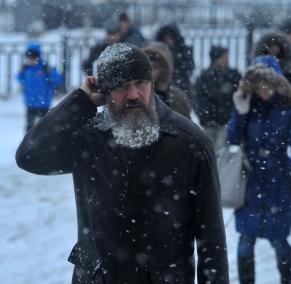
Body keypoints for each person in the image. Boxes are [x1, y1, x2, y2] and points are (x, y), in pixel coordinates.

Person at [16, 43, 229, 283]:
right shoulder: (90, 137)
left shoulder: (189, 143)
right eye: (121, 86)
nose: (134, 94)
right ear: (105, 91)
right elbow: (29, 156)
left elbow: (211, 241)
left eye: (141, 83)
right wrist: (80, 102)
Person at [227, 63, 291, 284]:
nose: (263, 90)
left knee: (279, 240)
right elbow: (231, 139)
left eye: (268, 85)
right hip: (251, 180)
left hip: (279, 180)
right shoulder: (247, 104)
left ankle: (287, 280)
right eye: (259, 85)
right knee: (246, 241)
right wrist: (240, 113)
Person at [194, 46, 241, 151]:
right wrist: (206, 117)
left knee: (222, 150)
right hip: (211, 122)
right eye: (224, 57)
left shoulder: (233, 75)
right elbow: (199, 100)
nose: (227, 60)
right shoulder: (205, 77)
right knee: (211, 151)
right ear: (216, 59)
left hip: (226, 121)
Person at [17, 42, 63, 132]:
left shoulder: (44, 68)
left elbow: (58, 80)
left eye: (33, 57)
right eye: (29, 58)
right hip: (30, 103)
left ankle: (44, 144)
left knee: (44, 127)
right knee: (29, 127)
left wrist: (50, 72)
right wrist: (20, 72)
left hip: (44, 103)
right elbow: (20, 79)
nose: (31, 60)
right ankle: (28, 145)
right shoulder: (26, 69)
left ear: (38, 57)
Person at [143, 42, 192, 119]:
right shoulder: (136, 94)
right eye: (148, 66)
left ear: (164, 69)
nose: (151, 71)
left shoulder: (177, 97)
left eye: (155, 67)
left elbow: (187, 128)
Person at [155, 23, 195, 98]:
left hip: (181, 85)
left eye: (170, 37)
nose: (168, 40)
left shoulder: (183, 51)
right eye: (166, 37)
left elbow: (189, 67)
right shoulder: (159, 51)